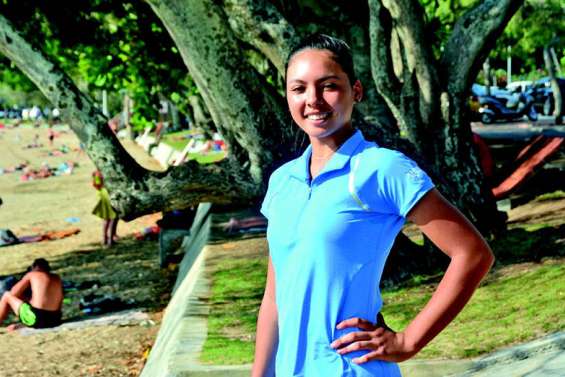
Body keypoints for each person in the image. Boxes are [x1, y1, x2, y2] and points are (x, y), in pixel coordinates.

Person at [252, 34, 495, 377]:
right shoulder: (282, 181)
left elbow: (472, 254)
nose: (313, 100)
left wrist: (408, 341)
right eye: (299, 89)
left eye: (329, 86)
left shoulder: (381, 168)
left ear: (357, 91)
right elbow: (275, 297)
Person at [0, 258, 63, 330]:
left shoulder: (32, 274)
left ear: (34, 267)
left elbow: (13, 293)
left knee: (7, 295)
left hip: (38, 319)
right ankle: (24, 324)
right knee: (32, 306)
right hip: (55, 320)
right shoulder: (57, 277)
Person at [91, 170, 119, 247]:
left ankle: (105, 239)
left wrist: (101, 189)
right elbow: (96, 184)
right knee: (113, 218)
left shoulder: (98, 172)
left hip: (103, 194)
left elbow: (96, 184)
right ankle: (110, 240)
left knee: (106, 219)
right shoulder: (107, 170)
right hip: (109, 195)